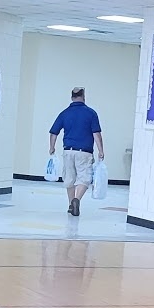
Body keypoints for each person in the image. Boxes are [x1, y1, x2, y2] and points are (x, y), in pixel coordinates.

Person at [48, 87, 104, 216]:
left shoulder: (65, 113)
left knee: (69, 179)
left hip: (68, 151)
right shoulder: (91, 113)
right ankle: (76, 200)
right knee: (84, 179)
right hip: (84, 152)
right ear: (83, 96)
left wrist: (52, 147)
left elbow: (53, 132)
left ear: (71, 97)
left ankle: (70, 205)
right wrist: (101, 150)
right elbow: (97, 134)